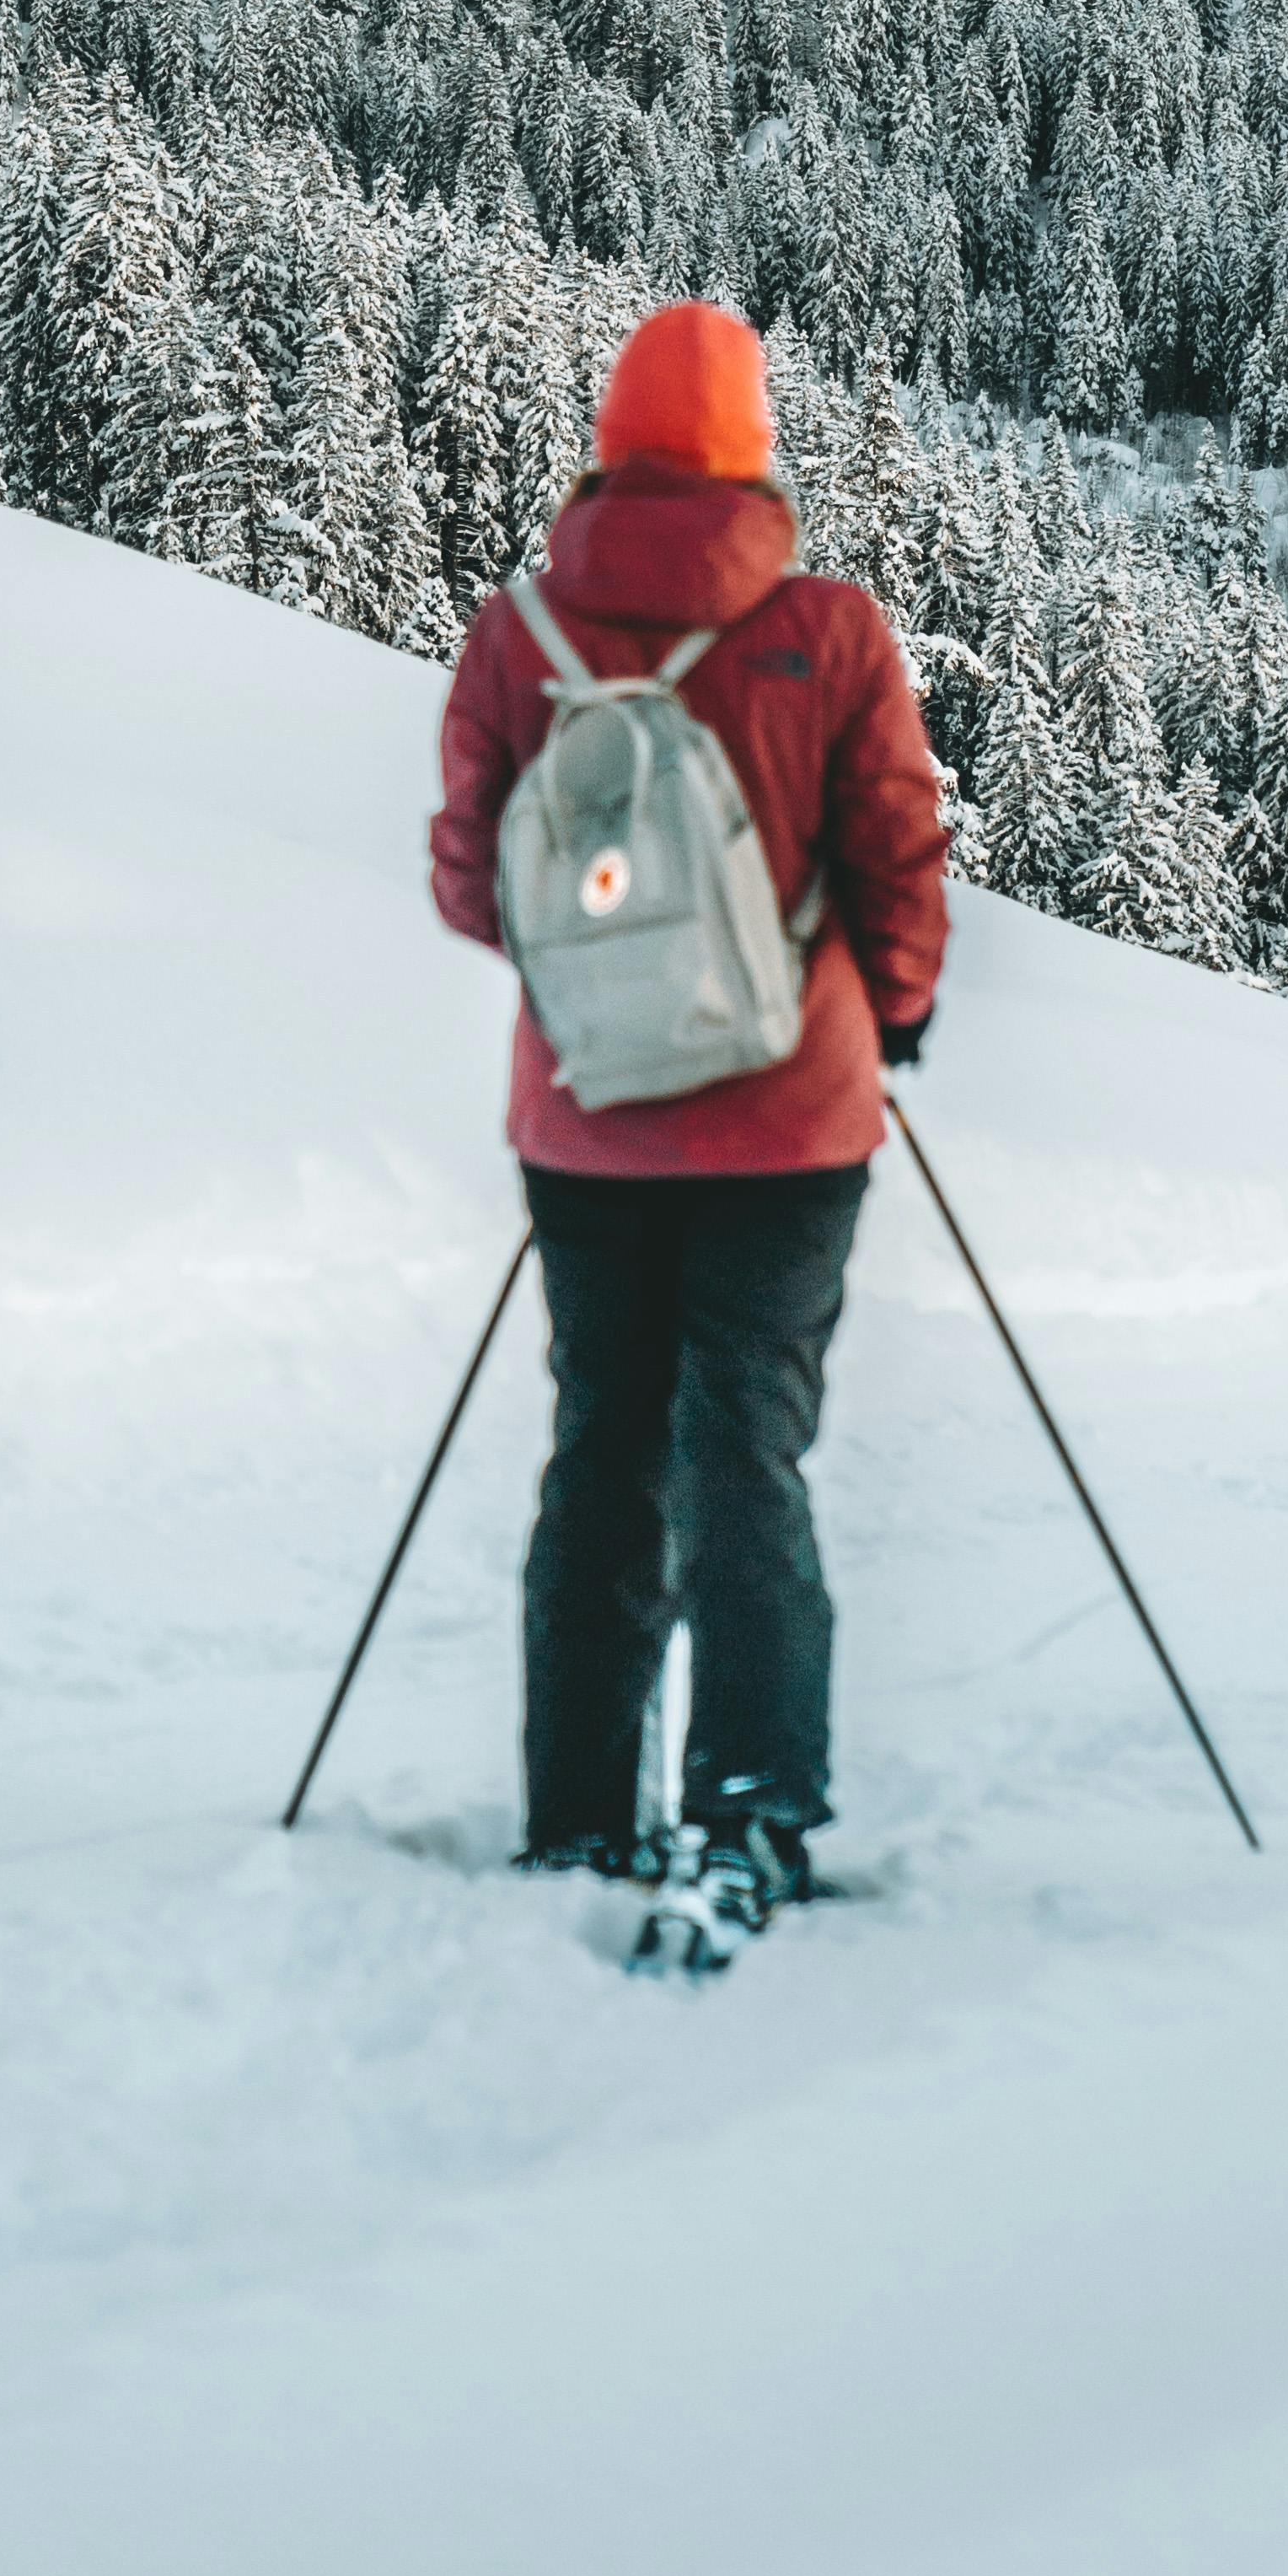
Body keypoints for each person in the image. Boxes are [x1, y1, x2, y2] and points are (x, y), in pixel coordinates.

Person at [428, 296, 947, 1948]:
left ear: (613, 431)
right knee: (747, 1448)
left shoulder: (521, 632)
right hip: (792, 1122)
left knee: (603, 1448)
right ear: (747, 442)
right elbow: (897, 864)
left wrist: (604, 986)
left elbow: (468, 883)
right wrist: (899, 1013)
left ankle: (579, 1813)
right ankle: (750, 1813)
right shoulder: (828, 632)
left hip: (584, 1122)